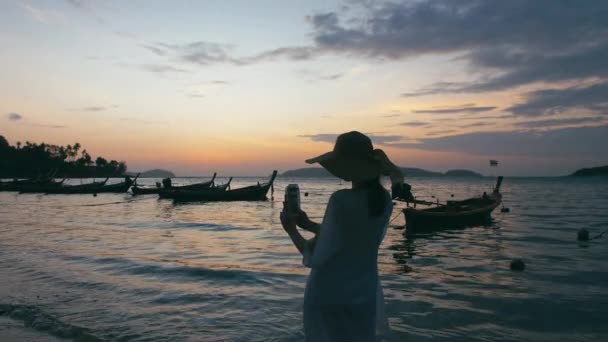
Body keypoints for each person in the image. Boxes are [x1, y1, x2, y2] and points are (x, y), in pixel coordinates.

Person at [280, 131, 404, 342]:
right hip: (364, 293)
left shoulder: (340, 200)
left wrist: (291, 228)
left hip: (329, 293)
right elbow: (350, 238)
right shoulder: (384, 201)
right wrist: (308, 224)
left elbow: (316, 256)